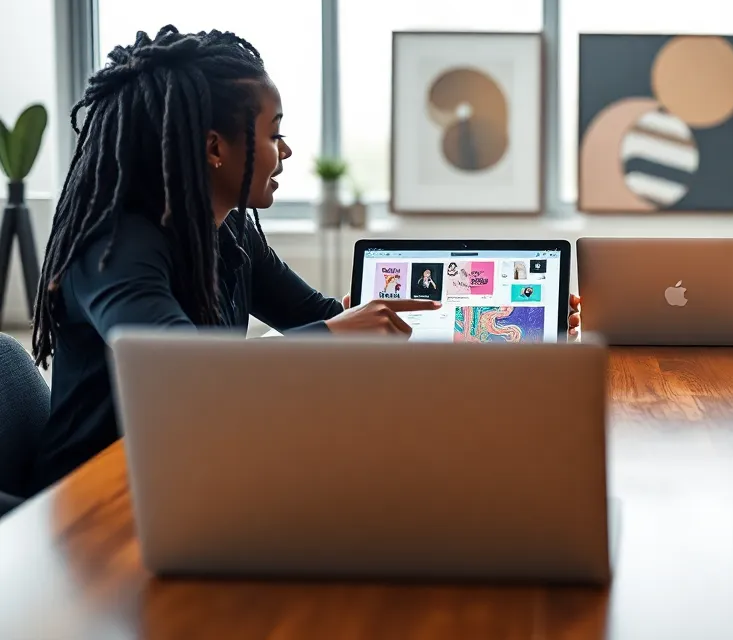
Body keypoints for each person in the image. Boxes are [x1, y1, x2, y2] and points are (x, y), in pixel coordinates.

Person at [28, 26, 581, 492]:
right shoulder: (112, 248)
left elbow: (318, 316)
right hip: (98, 500)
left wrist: (514, 324)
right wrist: (338, 333)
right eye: (274, 134)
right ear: (215, 147)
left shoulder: (228, 231)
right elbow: (181, 377)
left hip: (188, 470)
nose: (287, 151)